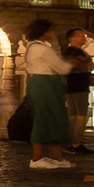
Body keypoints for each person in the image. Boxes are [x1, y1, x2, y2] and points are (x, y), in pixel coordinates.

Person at [22, 19, 73, 169]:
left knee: (50, 119)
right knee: (44, 119)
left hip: (40, 84)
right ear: (43, 32)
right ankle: (36, 159)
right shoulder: (43, 49)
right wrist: (74, 63)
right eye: (51, 30)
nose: (53, 33)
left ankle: (56, 156)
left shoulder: (33, 47)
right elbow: (62, 69)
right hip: (45, 84)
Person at [62, 28, 94, 155]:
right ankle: (76, 144)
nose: (84, 38)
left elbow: (91, 65)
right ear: (72, 38)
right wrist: (84, 65)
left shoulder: (77, 52)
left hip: (73, 86)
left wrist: (86, 65)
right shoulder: (73, 52)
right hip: (78, 86)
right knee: (80, 116)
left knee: (74, 115)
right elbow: (85, 66)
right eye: (81, 35)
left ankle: (72, 143)